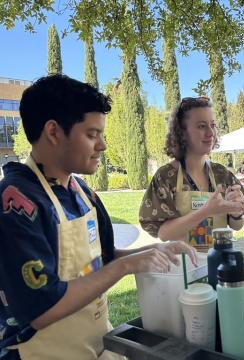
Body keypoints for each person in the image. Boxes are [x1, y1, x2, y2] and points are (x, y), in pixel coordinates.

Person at [0, 75, 197, 360]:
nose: (102, 146)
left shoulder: (84, 194)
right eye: (92, 135)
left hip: (96, 345)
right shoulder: (15, 204)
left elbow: (103, 260)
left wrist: (154, 251)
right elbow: (42, 310)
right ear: (53, 132)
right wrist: (127, 266)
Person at [139, 97, 244, 252]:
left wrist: (236, 214)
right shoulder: (166, 176)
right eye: (201, 126)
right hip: (184, 267)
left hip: (219, 263)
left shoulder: (222, 174)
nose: (210, 133)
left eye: (213, 125)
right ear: (182, 133)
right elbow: (163, 234)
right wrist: (206, 211)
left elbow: (237, 226)